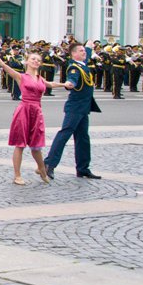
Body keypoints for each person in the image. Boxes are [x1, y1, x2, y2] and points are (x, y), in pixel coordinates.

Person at [0, 48, 65, 185]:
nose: (36, 61)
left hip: (37, 111)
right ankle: (17, 175)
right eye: (33, 59)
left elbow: (51, 84)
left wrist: (65, 84)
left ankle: (41, 169)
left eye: (38, 60)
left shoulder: (40, 78)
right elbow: (4, 66)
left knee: (36, 145)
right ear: (27, 62)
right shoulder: (21, 76)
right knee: (20, 144)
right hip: (24, 110)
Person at [43, 41, 103, 181]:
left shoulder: (82, 64)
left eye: (84, 51)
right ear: (74, 54)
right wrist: (70, 84)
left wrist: (88, 46)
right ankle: (49, 163)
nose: (84, 53)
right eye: (81, 51)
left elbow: (87, 56)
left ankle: (82, 169)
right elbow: (73, 79)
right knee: (64, 134)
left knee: (83, 138)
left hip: (84, 108)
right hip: (75, 108)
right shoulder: (74, 68)